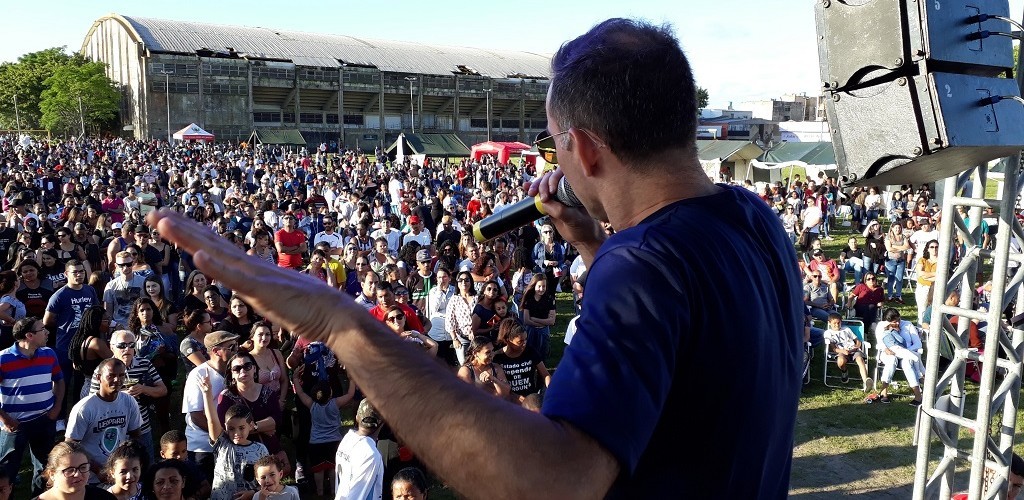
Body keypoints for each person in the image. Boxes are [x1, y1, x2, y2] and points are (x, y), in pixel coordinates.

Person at [148, 18, 803, 498]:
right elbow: (689, 345)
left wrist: (340, 322)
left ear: (585, 150)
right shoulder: (753, 220)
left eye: (554, 144)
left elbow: (554, 482)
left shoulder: (642, 265)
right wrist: (591, 245)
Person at [0, 317, 64, 492]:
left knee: (45, 469)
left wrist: (57, 408)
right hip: (14, 426)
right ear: (29, 335)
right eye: (42, 330)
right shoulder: (3, 359)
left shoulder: (49, 354)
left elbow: (59, 381)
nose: (47, 332)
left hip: (44, 421)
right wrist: (5, 420)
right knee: (7, 472)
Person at [87, 330, 167, 463]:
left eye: (131, 345)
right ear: (112, 347)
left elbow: (162, 390)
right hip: (114, 429)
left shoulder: (144, 364)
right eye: (122, 345)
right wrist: (120, 395)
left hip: (142, 426)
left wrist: (143, 389)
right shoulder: (103, 370)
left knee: (146, 466)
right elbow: (93, 400)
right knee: (118, 466)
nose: (128, 349)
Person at [66, 358, 144, 481]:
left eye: (121, 375)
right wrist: (98, 470)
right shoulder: (85, 408)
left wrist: (128, 463)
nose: (117, 380)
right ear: (99, 377)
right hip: (90, 478)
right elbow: (70, 446)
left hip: (120, 475)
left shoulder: (129, 401)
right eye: (111, 376)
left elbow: (136, 436)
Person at [44, 260, 98, 422]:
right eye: (75, 272)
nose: (80, 275)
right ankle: (60, 418)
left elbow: (96, 312)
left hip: (86, 346)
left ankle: (78, 416)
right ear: (66, 274)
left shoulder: (90, 290)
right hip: (65, 346)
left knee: (83, 383)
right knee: (63, 384)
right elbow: (47, 320)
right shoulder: (59, 295)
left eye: (82, 271)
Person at [198, 375, 268, 500]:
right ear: (225, 427)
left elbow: (268, 480)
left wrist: (252, 493)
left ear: (251, 425)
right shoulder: (222, 444)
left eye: (241, 428)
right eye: (231, 428)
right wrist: (207, 394)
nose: (236, 433)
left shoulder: (260, 449)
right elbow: (212, 421)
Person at [290, 366, 356, 497]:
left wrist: (295, 378)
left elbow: (301, 393)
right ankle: (333, 490)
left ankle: (319, 492)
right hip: (334, 442)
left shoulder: (311, 404)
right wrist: (351, 378)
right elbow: (350, 394)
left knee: (318, 470)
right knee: (333, 467)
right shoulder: (335, 403)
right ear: (331, 393)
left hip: (316, 443)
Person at [181, 331, 237, 482]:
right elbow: (196, 416)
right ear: (216, 351)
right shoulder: (198, 375)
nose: (236, 350)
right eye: (231, 347)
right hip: (203, 448)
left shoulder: (233, 371)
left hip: (227, 443)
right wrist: (223, 435)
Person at [869, 308, 924, 406]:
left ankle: (918, 395)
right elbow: (881, 343)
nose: (898, 323)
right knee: (891, 360)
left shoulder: (908, 325)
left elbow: (918, 343)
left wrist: (906, 351)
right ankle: (883, 391)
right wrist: (886, 349)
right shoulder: (882, 326)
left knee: (907, 364)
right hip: (888, 352)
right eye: (894, 322)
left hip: (907, 352)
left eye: (899, 320)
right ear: (888, 321)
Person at [31, 441, 117, 500]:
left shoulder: (103, 497)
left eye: (83, 467)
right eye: (70, 470)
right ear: (52, 474)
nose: (77, 474)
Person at [334, 399, 384, 500]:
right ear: (382, 422)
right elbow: (358, 495)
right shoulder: (370, 454)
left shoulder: (348, 438)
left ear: (357, 417)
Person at [492, 318, 550, 402]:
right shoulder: (498, 357)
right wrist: (515, 397)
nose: (524, 344)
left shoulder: (530, 352)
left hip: (530, 399)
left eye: (526, 339)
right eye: (520, 342)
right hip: (508, 401)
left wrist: (550, 386)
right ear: (508, 340)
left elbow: (545, 374)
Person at [822, 312, 872, 392]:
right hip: (841, 351)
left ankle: (866, 381)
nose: (837, 325)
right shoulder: (828, 333)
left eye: (839, 323)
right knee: (841, 361)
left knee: (860, 359)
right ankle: (844, 372)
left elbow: (857, 341)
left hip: (853, 350)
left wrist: (856, 346)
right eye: (834, 323)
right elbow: (834, 349)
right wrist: (843, 351)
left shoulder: (846, 329)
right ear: (829, 323)